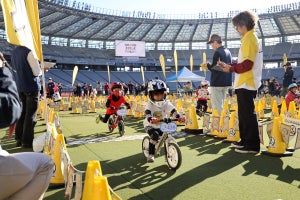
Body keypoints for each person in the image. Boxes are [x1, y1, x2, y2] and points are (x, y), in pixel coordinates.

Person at [0, 56, 54, 200]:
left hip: (22, 89)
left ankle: (21, 139)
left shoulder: (17, 54)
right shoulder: (27, 53)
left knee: (24, 115)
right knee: (45, 164)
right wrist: (2, 71)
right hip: (29, 89)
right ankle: (25, 141)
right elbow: (9, 111)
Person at [218, 10, 263, 154]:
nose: (236, 30)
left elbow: (247, 65)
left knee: (247, 114)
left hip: (247, 82)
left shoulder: (250, 39)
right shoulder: (249, 39)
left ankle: (252, 145)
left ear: (243, 25)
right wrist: (231, 66)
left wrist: (231, 69)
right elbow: (244, 62)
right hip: (245, 82)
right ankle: (245, 141)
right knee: (244, 114)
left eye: (237, 26)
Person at [143, 79, 185, 162]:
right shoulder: (150, 104)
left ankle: (167, 155)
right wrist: (150, 118)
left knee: (166, 136)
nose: (159, 96)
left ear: (165, 94)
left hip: (162, 124)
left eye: (161, 93)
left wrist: (179, 116)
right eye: (156, 94)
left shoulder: (166, 103)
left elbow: (174, 110)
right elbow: (147, 112)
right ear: (151, 95)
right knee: (155, 135)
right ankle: (151, 154)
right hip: (150, 125)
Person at [11, 45, 42, 148]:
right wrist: (42, 69)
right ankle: (27, 141)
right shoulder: (29, 52)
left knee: (22, 114)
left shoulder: (14, 52)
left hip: (20, 86)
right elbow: (37, 72)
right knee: (30, 115)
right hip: (31, 87)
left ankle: (19, 138)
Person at [205, 34, 232, 115]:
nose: (211, 45)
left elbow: (214, 68)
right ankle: (223, 123)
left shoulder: (217, 52)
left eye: (211, 43)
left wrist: (208, 65)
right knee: (222, 105)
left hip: (217, 83)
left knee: (217, 107)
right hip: (226, 82)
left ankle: (220, 125)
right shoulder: (228, 51)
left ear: (215, 42)